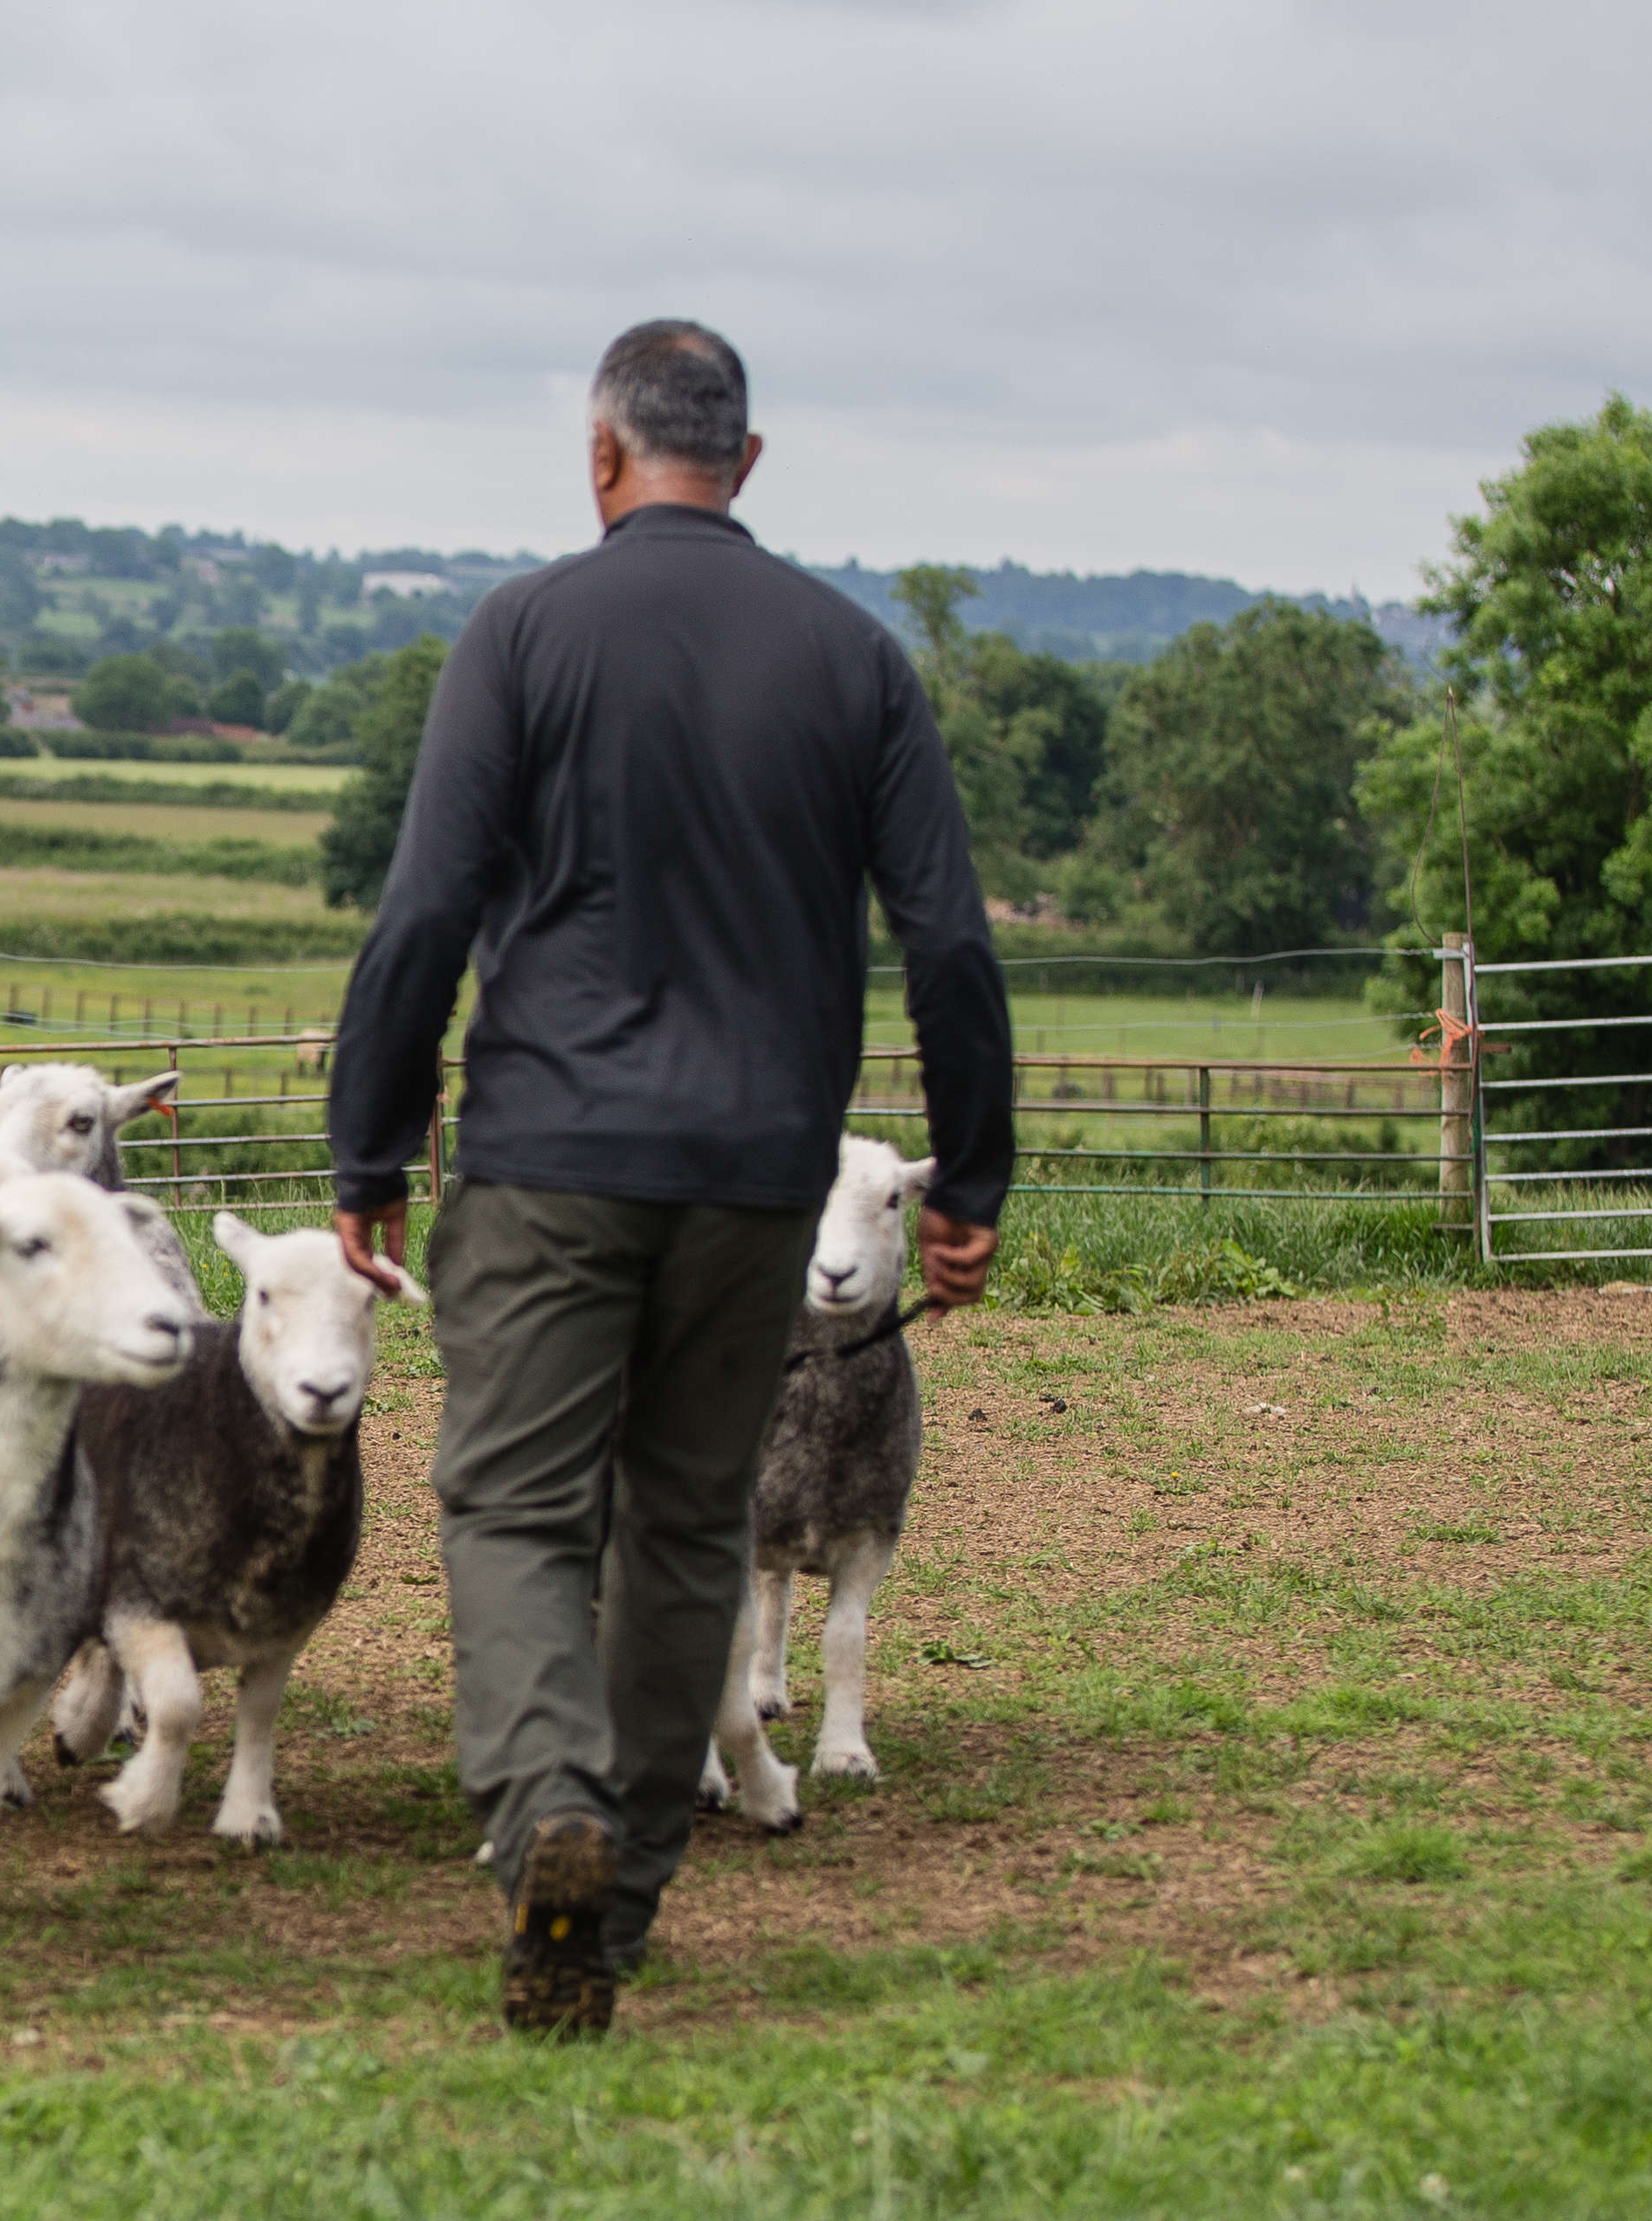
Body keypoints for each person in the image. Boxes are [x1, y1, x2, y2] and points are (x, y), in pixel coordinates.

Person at [323, 319, 1014, 2036]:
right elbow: (946, 937)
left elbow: (425, 911)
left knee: (516, 1507)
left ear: (601, 455)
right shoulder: (855, 658)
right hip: (760, 1176)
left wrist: (370, 1144)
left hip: (549, 1160)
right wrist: (974, 1174)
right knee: (688, 1519)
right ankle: (610, 1898)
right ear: (749, 461)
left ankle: (545, 1811)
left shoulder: (523, 632)